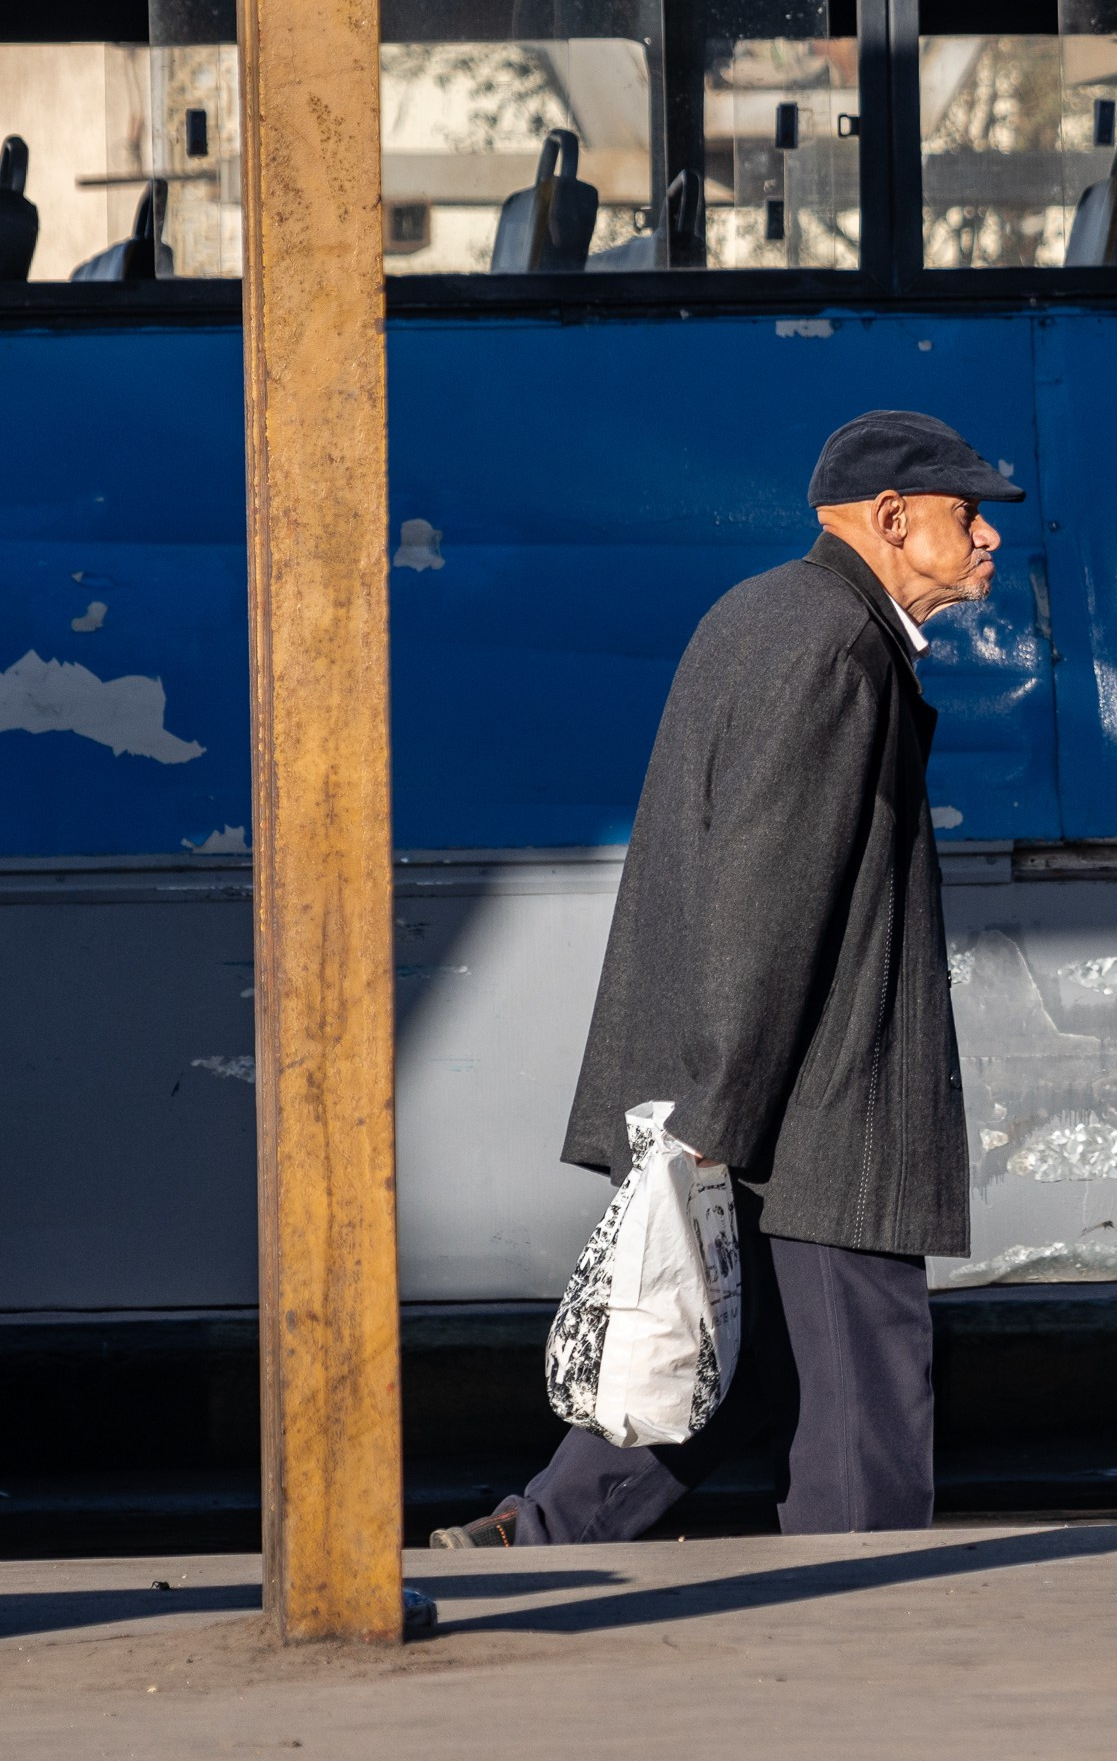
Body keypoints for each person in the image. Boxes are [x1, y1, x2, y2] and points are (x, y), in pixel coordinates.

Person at [431, 410, 1019, 1547]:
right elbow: (771, 891)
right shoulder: (836, 647)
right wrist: (718, 1115)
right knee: (863, 1395)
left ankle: (534, 1535)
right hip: (814, 1103)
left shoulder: (765, 613)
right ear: (893, 521)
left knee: (725, 1346)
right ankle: (868, 1608)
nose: (988, 538)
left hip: (750, 1084)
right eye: (967, 514)